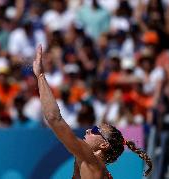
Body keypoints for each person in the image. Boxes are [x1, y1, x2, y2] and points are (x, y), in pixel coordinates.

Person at [33, 45, 152, 178]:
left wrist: (40, 76)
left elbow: (53, 118)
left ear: (103, 144)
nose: (89, 130)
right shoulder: (89, 165)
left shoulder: (91, 160)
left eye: (95, 130)